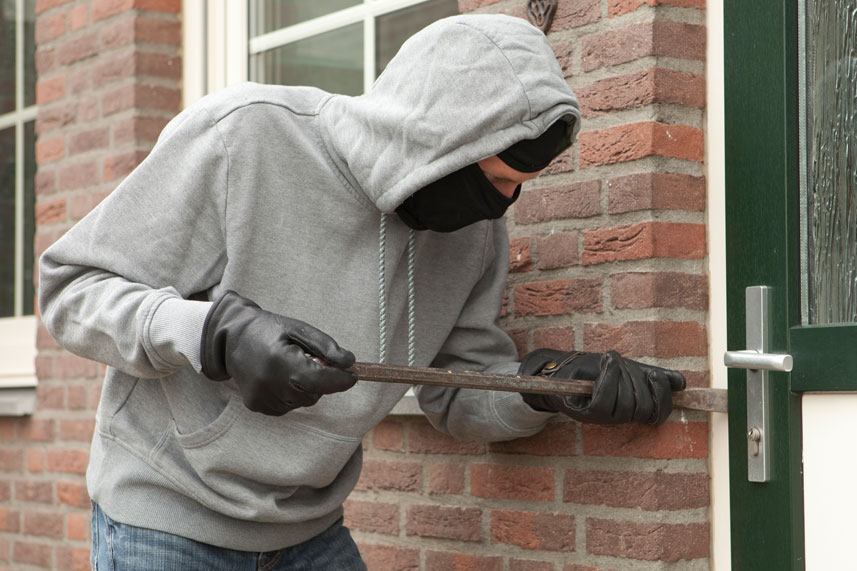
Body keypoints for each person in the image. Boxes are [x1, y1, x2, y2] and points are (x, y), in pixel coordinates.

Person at [38, 14, 686, 570]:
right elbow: (72, 290)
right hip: (168, 521)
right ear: (438, 137)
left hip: (310, 530)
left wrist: (544, 389)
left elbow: (456, 395)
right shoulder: (245, 137)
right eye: (492, 175)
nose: (503, 200)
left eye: (517, 183)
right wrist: (214, 334)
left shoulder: (473, 233)